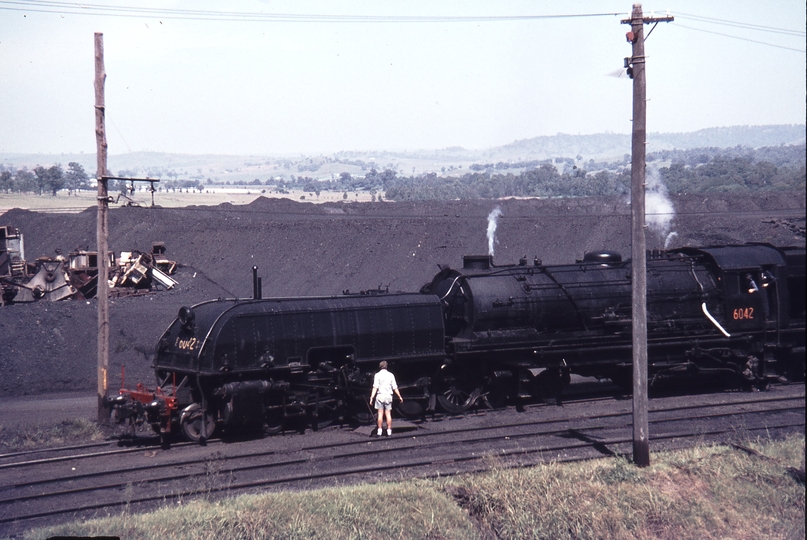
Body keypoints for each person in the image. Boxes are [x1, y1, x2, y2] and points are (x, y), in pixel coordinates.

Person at [369, 361, 403, 437]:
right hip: (388, 396)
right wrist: (400, 396)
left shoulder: (377, 375)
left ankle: (379, 431)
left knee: (380, 414)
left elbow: (375, 387)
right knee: (388, 414)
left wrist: (371, 398)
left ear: (380, 367)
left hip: (380, 396)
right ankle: (389, 431)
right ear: (386, 366)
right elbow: (395, 387)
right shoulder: (391, 375)